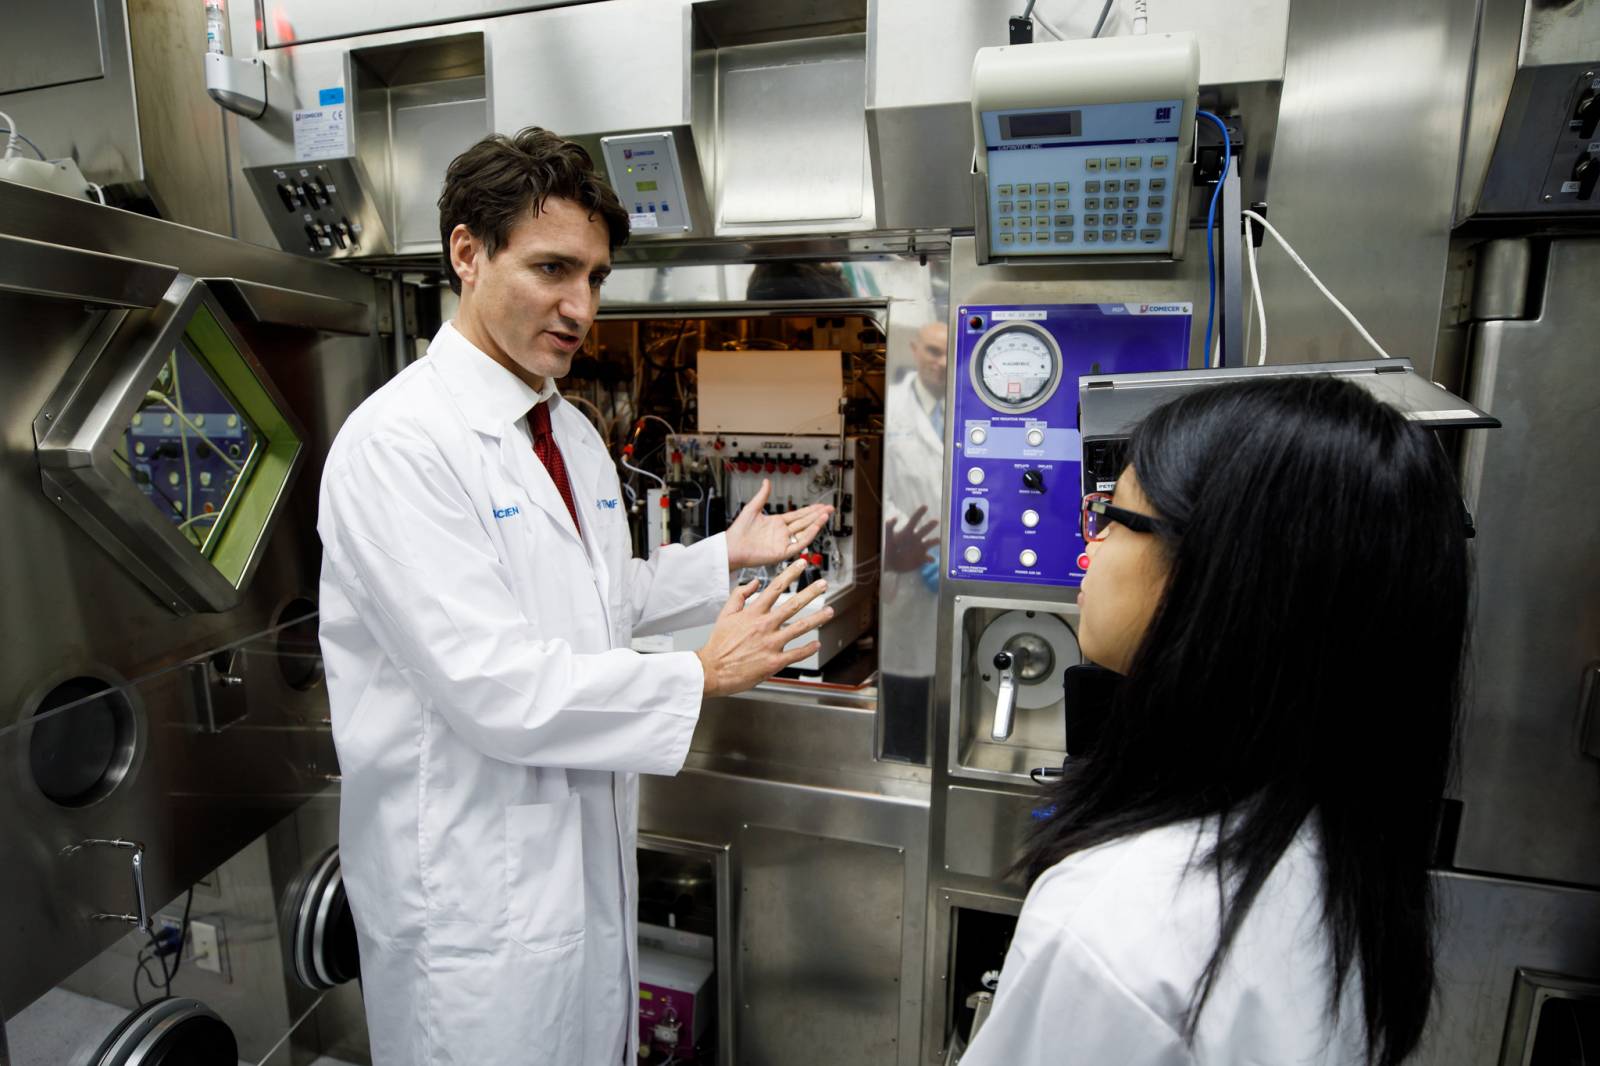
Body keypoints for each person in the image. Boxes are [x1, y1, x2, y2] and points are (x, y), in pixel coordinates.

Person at [316, 128, 834, 1065]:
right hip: (472, 894)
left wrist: (721, 556)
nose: (580, 306)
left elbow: (600, 597)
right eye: (553, 268)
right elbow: (493, 683)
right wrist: (697, 674)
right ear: (467, 254)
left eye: (594, 277)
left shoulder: (568, 430)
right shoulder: (399, 445)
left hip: (574, 858)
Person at [962, 375, 1469, 1066]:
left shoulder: (1114, 924)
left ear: (1221, 574)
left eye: (1114, 518)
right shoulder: (1344, 853)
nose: (1090, 549)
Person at [879, 320, 947, 761]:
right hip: (905, 584)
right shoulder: (891, 410)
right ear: (914, 349)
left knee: (955, 709)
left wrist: (955, 553)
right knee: (906, 709)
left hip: (961, 577)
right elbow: (874, 490)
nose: (941, 363)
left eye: (949, 354)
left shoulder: (973, 407)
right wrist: (908, 542)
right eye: (933, 352)